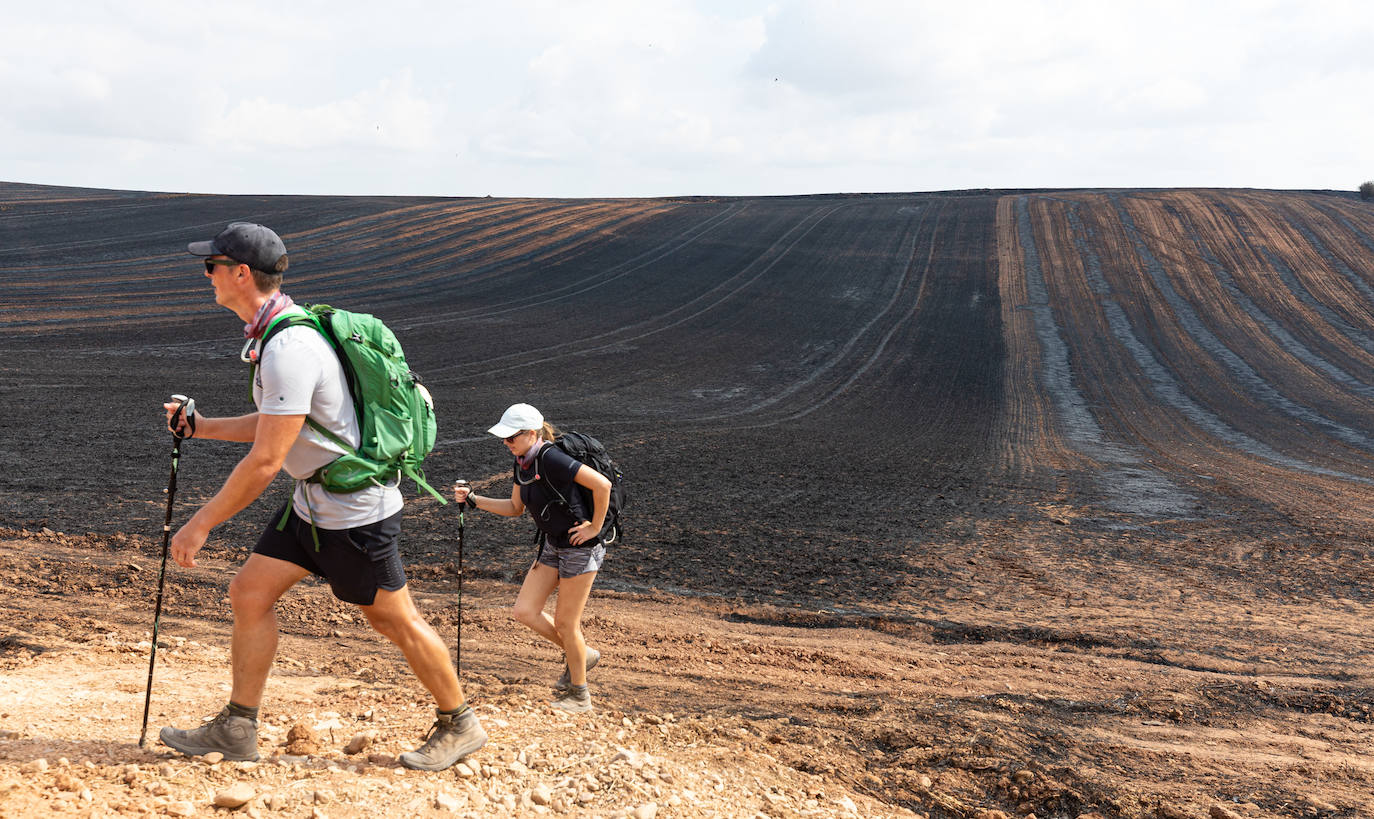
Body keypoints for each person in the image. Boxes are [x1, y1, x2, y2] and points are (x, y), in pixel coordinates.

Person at [156, 222, 484, 771]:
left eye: (210, 265)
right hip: (312, 503)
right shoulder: (278, 333)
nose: (205, 275)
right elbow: (280, 425)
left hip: (354, 515)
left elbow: (265, 460)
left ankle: (460, 722)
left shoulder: (289, 345)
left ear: (240, 273)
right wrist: (203, 426)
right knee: (250, 593)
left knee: (393, 621)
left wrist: (201, 523)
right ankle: (238, 727)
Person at [453, 403, 611, 713]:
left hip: (579, 548)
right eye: (505, 438)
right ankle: (582, 654)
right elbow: (515, 508)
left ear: (531, 434)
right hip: (552, 545)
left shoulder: (551, 458)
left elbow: (602, 485)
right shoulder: (523, 462)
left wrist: (594, 527)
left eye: (511, 437)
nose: (506, 443)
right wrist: (473, 500)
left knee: (567, 624)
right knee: (525, 611)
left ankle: (579, 695)